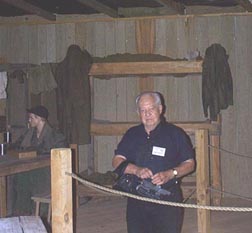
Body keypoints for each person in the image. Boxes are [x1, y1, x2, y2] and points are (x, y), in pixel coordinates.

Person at [112, 91, 195, 233]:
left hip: (167, 200)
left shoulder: (175, 134)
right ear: (138, 112)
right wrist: (136, 170)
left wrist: (171, 173)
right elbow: (117, 161)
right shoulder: (132, 134)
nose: (147, 114)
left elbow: (190, 163)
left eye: (151, 109)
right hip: (136, 199)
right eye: (143, 110)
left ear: (160, 109)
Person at [10, 105, 68, 215]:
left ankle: (32, 212)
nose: (29, 120)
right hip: (31, 169)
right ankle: (21, 213)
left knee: (24, 178)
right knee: (19, 176)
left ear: (39, 119)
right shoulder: (29, 133)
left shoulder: (55, 136)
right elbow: (18, 145)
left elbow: (61, 154)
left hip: (47, 171)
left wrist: (37, 151)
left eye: (31, 118)